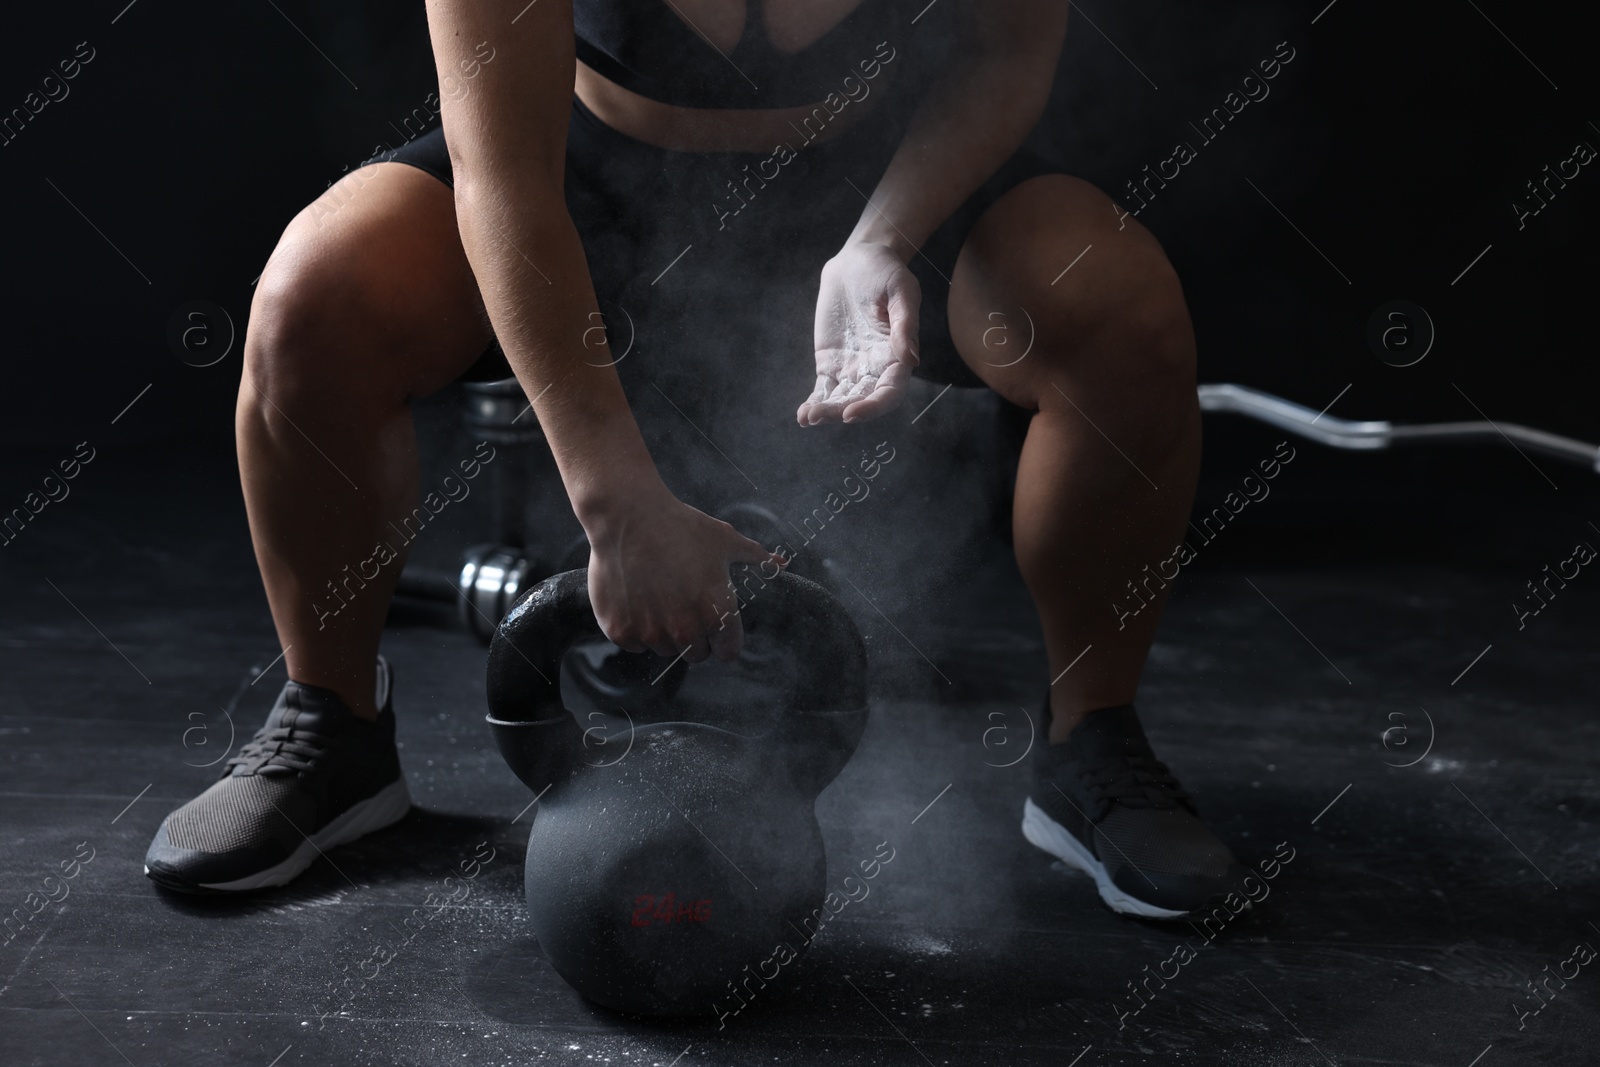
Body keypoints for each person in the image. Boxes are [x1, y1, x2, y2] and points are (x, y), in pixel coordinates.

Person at [144, 0, 1244, 918]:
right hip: (574, 187)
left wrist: (880, 240)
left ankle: (1090, 740)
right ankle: (331, 732)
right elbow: (505, 181)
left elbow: (1007, 52)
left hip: (871, 175)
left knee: (1118, 308)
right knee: (314, 299)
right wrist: (618, 507)